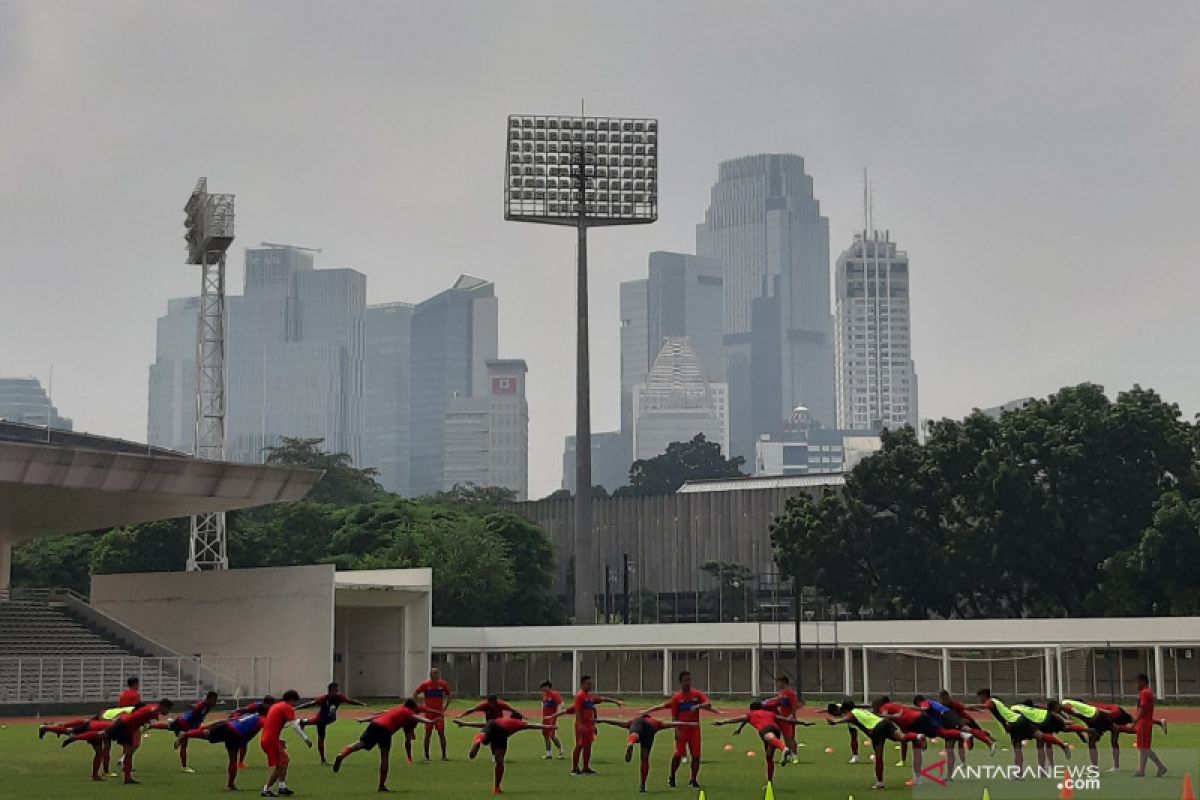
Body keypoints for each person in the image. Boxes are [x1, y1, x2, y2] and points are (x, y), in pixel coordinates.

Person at [332, 699, 437, 792]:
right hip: (385, 730)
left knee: (360, 744)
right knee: (384, 757)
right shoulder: (408, 711)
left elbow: (380, 714)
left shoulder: (396, 709)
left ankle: (342, 755)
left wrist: (364, 720)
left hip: (374, 725)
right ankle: (381, 785)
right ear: (412, 708)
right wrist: (430, 721)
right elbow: (417, 717)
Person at [65, 699, 173, 785]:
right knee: (102, 734)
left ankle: (127, 778)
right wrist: (157, 716)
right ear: (163, 706)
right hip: (123, 725)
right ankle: (75, 737)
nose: (168, 712)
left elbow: (147, 715)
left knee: (128, 752)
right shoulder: (153, 709)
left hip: (127, 728)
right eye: (168, 709)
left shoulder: (153, 708)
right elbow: (151, 713)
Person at [643, 670, 721, 789]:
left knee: (696, 755)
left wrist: (698, 706)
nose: (688, 682)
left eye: (689, 680)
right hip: (682, 728)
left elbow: (708, 703)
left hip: (694, 728)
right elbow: (674, 717)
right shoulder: (677, 698)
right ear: (680, 682)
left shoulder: (697, 694)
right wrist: (677, 730)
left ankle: (693, 779)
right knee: (678, 754)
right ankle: (672, 776)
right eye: (685, 680)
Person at [827, 701, 923, 790]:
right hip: (885, 723)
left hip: (876, 729)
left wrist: (835, 722)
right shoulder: (861, 710)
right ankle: (917, 736)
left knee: (879, 757)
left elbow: (847, 718)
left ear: (846, 710)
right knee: (903, 737)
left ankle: (880, 782)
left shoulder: (852, 714)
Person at [595, 713, 699, 794]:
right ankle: (642, 785)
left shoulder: (635, 720)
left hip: (637, 725)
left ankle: (631, 743)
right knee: (644, 758)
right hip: (651, 729)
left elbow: (616, 722)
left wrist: (601, 720)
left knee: (635, 733)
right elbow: (673, 724)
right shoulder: (655, 721)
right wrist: (689, 724)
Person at [455, 711, 555, 795]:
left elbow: (482, 724)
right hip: (501, 732)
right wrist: (548, 726)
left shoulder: (500, 719)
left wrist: (465, 724)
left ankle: (478, 741)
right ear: (519, 719)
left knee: (484, 735)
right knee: (499, 761)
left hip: (491, 724)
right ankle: (496, 788)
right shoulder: (518, 723)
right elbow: (532, 725)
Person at [713, 701, 805, 787]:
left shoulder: (751, 714)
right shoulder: (770, 713)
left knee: (769, 738)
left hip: (765, 729)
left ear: (752, 709)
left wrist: (723, 722)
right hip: (776, 729)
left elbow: (737, 719)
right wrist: (803, 723)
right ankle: (769, 782)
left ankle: (784, 748)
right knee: (769, 756)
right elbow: (786, 720)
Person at [176, 711, 268, 791]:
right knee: (233, 759)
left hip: (227, 724)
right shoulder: (262, 719)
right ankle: (230, 784)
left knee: (206, 733)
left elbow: (239, 716)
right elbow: (268, 729)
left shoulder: (253, 715)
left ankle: (186, 734)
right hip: (234, 733)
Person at [550, 674, 622, 776]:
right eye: (588, 684)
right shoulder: (580, 696)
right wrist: (580, 725)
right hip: (582, 725)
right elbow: (577, 711)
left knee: (588, 746)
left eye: (591, 684)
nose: (590, 686)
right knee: (579, 746)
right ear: (582, 684)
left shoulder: (589, 697)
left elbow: (601, 699)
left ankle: (586, 768)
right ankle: (574, 769)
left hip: (589, 725)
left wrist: (615, 701)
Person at [259, 689, 312, 797]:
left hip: (268, 738)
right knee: (280, 764)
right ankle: (266, 789)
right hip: (271, 740)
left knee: (285, 759)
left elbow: (273, 724)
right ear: (291, 699)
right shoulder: (286, 707)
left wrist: (279, 739)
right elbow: (294, 725)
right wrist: (306, 738)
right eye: (295, 702)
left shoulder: (276, 706)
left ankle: (282, 787)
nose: (294, 705)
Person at [150, 690, 219, 773]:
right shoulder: (202, 705)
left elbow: (196, 710)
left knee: (169, 726)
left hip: (182, 720)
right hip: (185, 723)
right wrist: (191, 708)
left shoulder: (207, 705)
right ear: (209, 699)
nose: (215, 702)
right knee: (184, 744)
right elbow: (196, 710)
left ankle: (150, 726)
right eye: (214, 700)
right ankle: (184, 766)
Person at [296, 682, 365, 765]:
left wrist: (361, 704)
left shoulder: (339, 697)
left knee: (328, 719)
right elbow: (311, 704)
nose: (336, 692)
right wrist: (297, 707)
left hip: (329, 718)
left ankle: (304, 722)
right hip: (321, 720)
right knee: (321, 738)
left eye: (336, 690)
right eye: (334, 690)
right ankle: (323, 760)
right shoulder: (324, 699)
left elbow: (349, 701)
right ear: (329, 690)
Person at [413, 667, 453, 761]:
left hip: (439, 713)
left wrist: (445, 707)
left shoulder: (443, 684)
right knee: (428, 734)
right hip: (429, 713)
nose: (434, 675)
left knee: (441, 733)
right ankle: (426, 756)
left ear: (439, 675)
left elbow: (449, 695)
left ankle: (444, 756)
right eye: (432, 674)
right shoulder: (425, 685)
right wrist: (421, 705)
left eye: (436, 674)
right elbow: (415, 694)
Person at [1133, 673, 1168, 778]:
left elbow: (1143, 709)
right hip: (1146, 723)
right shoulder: (1148, 692)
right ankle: (1141, 770)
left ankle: (1160, 766)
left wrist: (1136, 720)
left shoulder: (1144, 693)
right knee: (1142, 747)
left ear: (1142, 682)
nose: (1136, 685)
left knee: (1144, 748)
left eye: (1137, 682)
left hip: (1143, 724)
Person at [230, 696, 276, 770]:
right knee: (242, 743)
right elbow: (244, 710)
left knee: (244, 743)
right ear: (267, 703)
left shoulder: (268, 709)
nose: (272, 707)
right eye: (272, 705)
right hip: (246, 725)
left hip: (254, 726)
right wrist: (235, 715)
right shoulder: (256, 706)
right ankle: (239, 763)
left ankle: (239, 763)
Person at [763, 675, 803, 757]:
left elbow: (795, 705)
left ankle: (794, 756)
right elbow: (778, 700)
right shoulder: (782, 692)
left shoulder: (790, 692)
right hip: (783, 718)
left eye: (779, 682)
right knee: (787, 737)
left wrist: (791, 715)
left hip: (788, 718)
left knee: (789, 738)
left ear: (784, 682)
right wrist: (768, 701)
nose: (778, 684)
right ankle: (790, 756)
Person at [538, 680, 565, 759]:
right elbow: (543, 704)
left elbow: (560, 703)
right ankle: (548, 753)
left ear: (547, 687)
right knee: (545, 735)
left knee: (552, 735)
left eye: (543, 687)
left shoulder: (554, 694)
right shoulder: (545, 695)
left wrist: (557, 714)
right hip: (545, 718)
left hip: (552, 718)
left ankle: (561, 751)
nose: (542, 689)